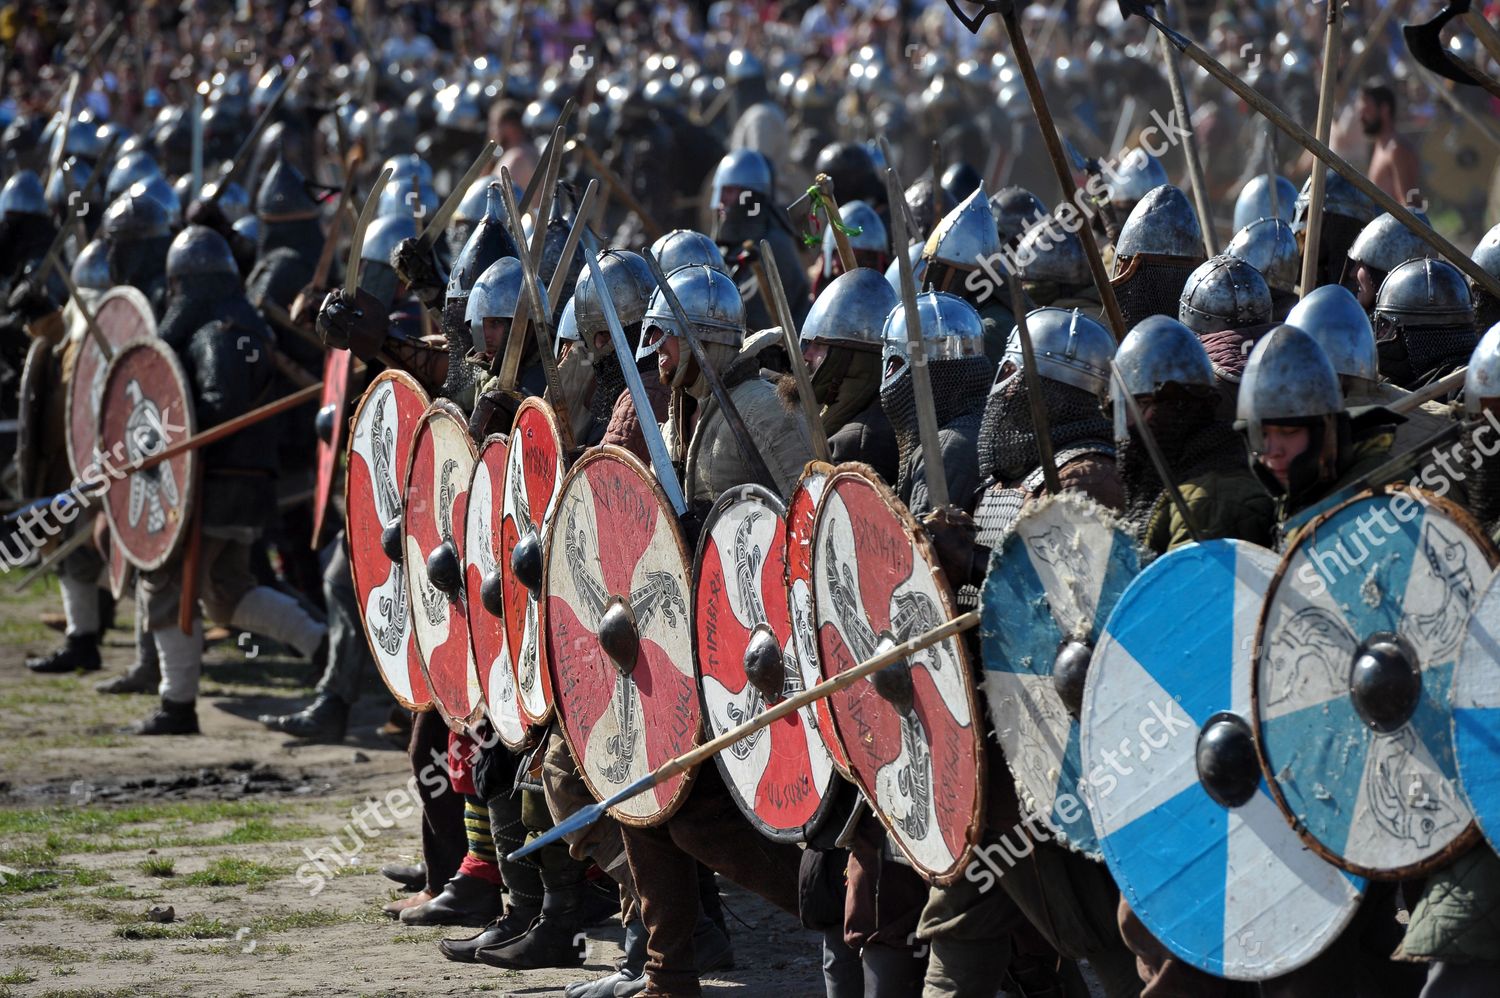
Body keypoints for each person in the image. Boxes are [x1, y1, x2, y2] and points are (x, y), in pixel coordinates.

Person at [1358, 80, 1420, 205]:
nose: (1361, 118)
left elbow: (1409, 204)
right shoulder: (1379, 147)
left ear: (1384, 109)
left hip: (1397, 224)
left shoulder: (1396, 150)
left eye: (1367, 110)